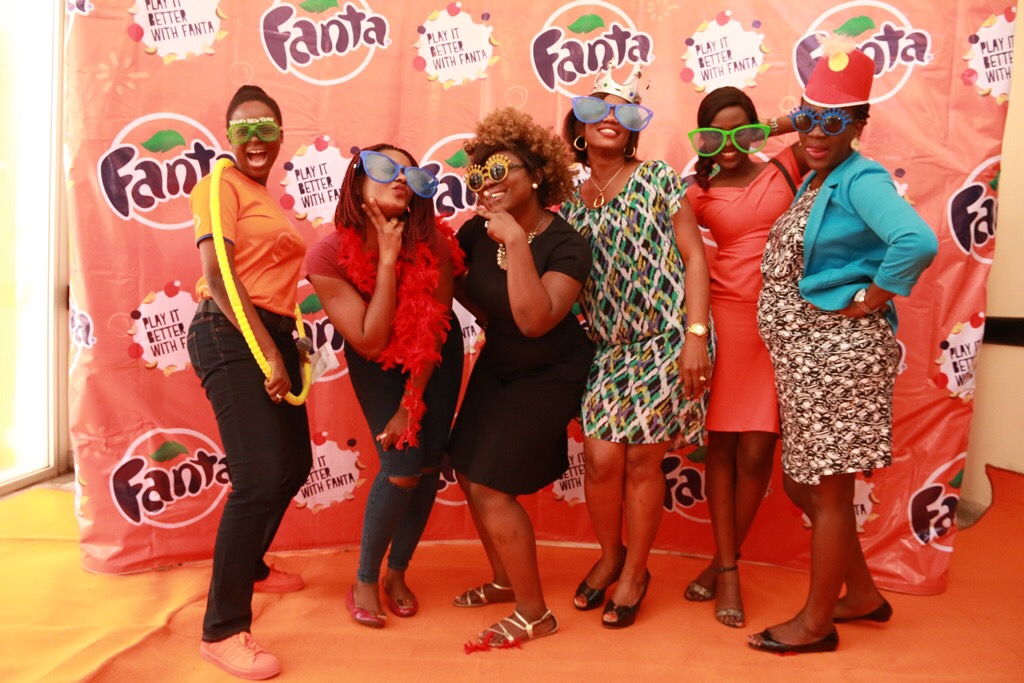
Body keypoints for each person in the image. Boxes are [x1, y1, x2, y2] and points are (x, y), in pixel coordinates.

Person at [747, 46, 937, 654]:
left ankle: (816, 623)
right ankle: (861, 594)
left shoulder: (861, 177)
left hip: (837, 355)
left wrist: (877, 294)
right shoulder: (819, 170)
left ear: (859, 124)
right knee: (803, 485)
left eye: (834, 122)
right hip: (807, 359)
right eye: (807, 118)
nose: (815, 133)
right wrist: (801, 120)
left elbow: (916, 240)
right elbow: (767, 132)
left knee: (826, 492)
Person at [560, 65, 713, 628]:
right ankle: (610, 555)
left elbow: (694, 257)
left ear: (633, 128)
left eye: (623, 111)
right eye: (597, 107)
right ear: (579, 125)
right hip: (608, 348)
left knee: (645, 460)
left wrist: (695, 336)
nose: (609, 118)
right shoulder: (569, 203)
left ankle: (635, 572)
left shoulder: (658, 178)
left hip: (667, 338)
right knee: (601, 459)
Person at [449, 107, 593, 650]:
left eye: (501, 168)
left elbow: (535, 321)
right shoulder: (473, 233)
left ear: (536, 174)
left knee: (492, 486)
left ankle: (535, 614)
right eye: (480, 172)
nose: (489, 180)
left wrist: (513, 240)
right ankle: (506, 579)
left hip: (550, 369)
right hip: (501, 360)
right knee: (468, 471)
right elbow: (459, 286)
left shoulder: (567, 244)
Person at [307, 144, 463, 629]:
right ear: (357, 182)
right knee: (401, 466)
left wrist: (412, 402)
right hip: (375, 359)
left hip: (433, 358)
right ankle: (365, 580)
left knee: (428, 464)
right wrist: (389, 261)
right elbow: (371, 341)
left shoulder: (434, 243)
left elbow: (434, 326)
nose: (399, 178)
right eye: (383, 168)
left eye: (410, 174)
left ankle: (397, 572)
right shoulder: (326, 254)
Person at [187, 84, 312, 680]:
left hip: (273, 332)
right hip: (230, 331)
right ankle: (223, 629)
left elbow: (270, 278)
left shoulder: (263, 197)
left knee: (294, 464)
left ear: (281, 136)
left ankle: (253, 565)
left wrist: (291, 340)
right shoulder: (219, 185)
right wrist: (267, 350)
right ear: (228, 136)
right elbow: (218, 276)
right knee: (259, 476)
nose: (256, 139)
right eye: (244, 129)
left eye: (266, 129)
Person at [683, 86, 808, 628]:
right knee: (723, 451)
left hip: (781, 322)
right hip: (727, 320)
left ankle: (719, 562)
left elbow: (824, 118)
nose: (728, 145)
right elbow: (680, 256)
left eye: (740, 131)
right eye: (715, 134)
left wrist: (768, 129)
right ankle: (730, 571)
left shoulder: (785, 166)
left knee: (758, 455)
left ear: (755, 130)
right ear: (701, 138)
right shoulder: (696, 191)